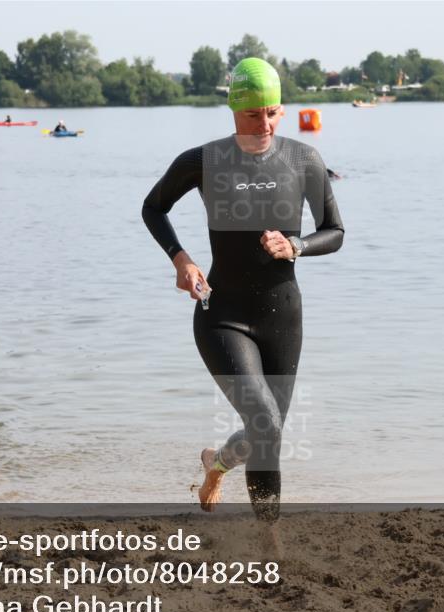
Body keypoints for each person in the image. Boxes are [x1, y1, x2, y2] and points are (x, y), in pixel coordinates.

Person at [142, 57, 344, 525]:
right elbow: (154, 207)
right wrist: (182, 259)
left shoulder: (303, 159)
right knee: (265, 423)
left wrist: (296, 245)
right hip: (223, 313)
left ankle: (215, 463)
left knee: (267, 432)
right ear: (234, 109)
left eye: (274, 112)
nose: (266, 123)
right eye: (254, 114)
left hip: (283, 315)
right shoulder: (203, 160)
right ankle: (269, 541)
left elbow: (334, 231)